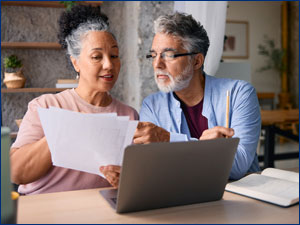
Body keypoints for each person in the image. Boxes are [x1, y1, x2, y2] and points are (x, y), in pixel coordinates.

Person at [101, 12, 261, 186]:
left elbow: (238, 167)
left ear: (197, 61)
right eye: (154, 55)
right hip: (179, 200)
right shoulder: (152, 105)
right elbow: (156, 168)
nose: (157, 64)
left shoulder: (239, 94)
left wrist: (168, 140)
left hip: (237, 201)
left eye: (168, 55)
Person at [10, 5, 138, 195]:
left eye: (114, 56)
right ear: (75, 62)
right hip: (44, 209)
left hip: (100, 210)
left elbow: (132, 180)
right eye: (97, 56)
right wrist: (65, 127)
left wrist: (125, 177)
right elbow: (16, 172)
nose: (109, 64)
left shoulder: (128, 114)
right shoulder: (45, 106)